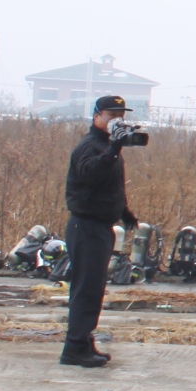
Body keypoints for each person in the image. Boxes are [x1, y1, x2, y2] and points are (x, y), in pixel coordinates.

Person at [60, 94, 144, 367]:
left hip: (101, 227)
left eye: (121, 115)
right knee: (86, 289)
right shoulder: (90, 146)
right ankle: (74, 347)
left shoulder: (108, 147)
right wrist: (113, 148)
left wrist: (124, 213)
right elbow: (90, 174)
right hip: (86, 226)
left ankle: (84, 342)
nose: (116, 120)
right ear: (96, 116)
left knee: (94, 289)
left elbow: (109, 185)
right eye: (111, 115)